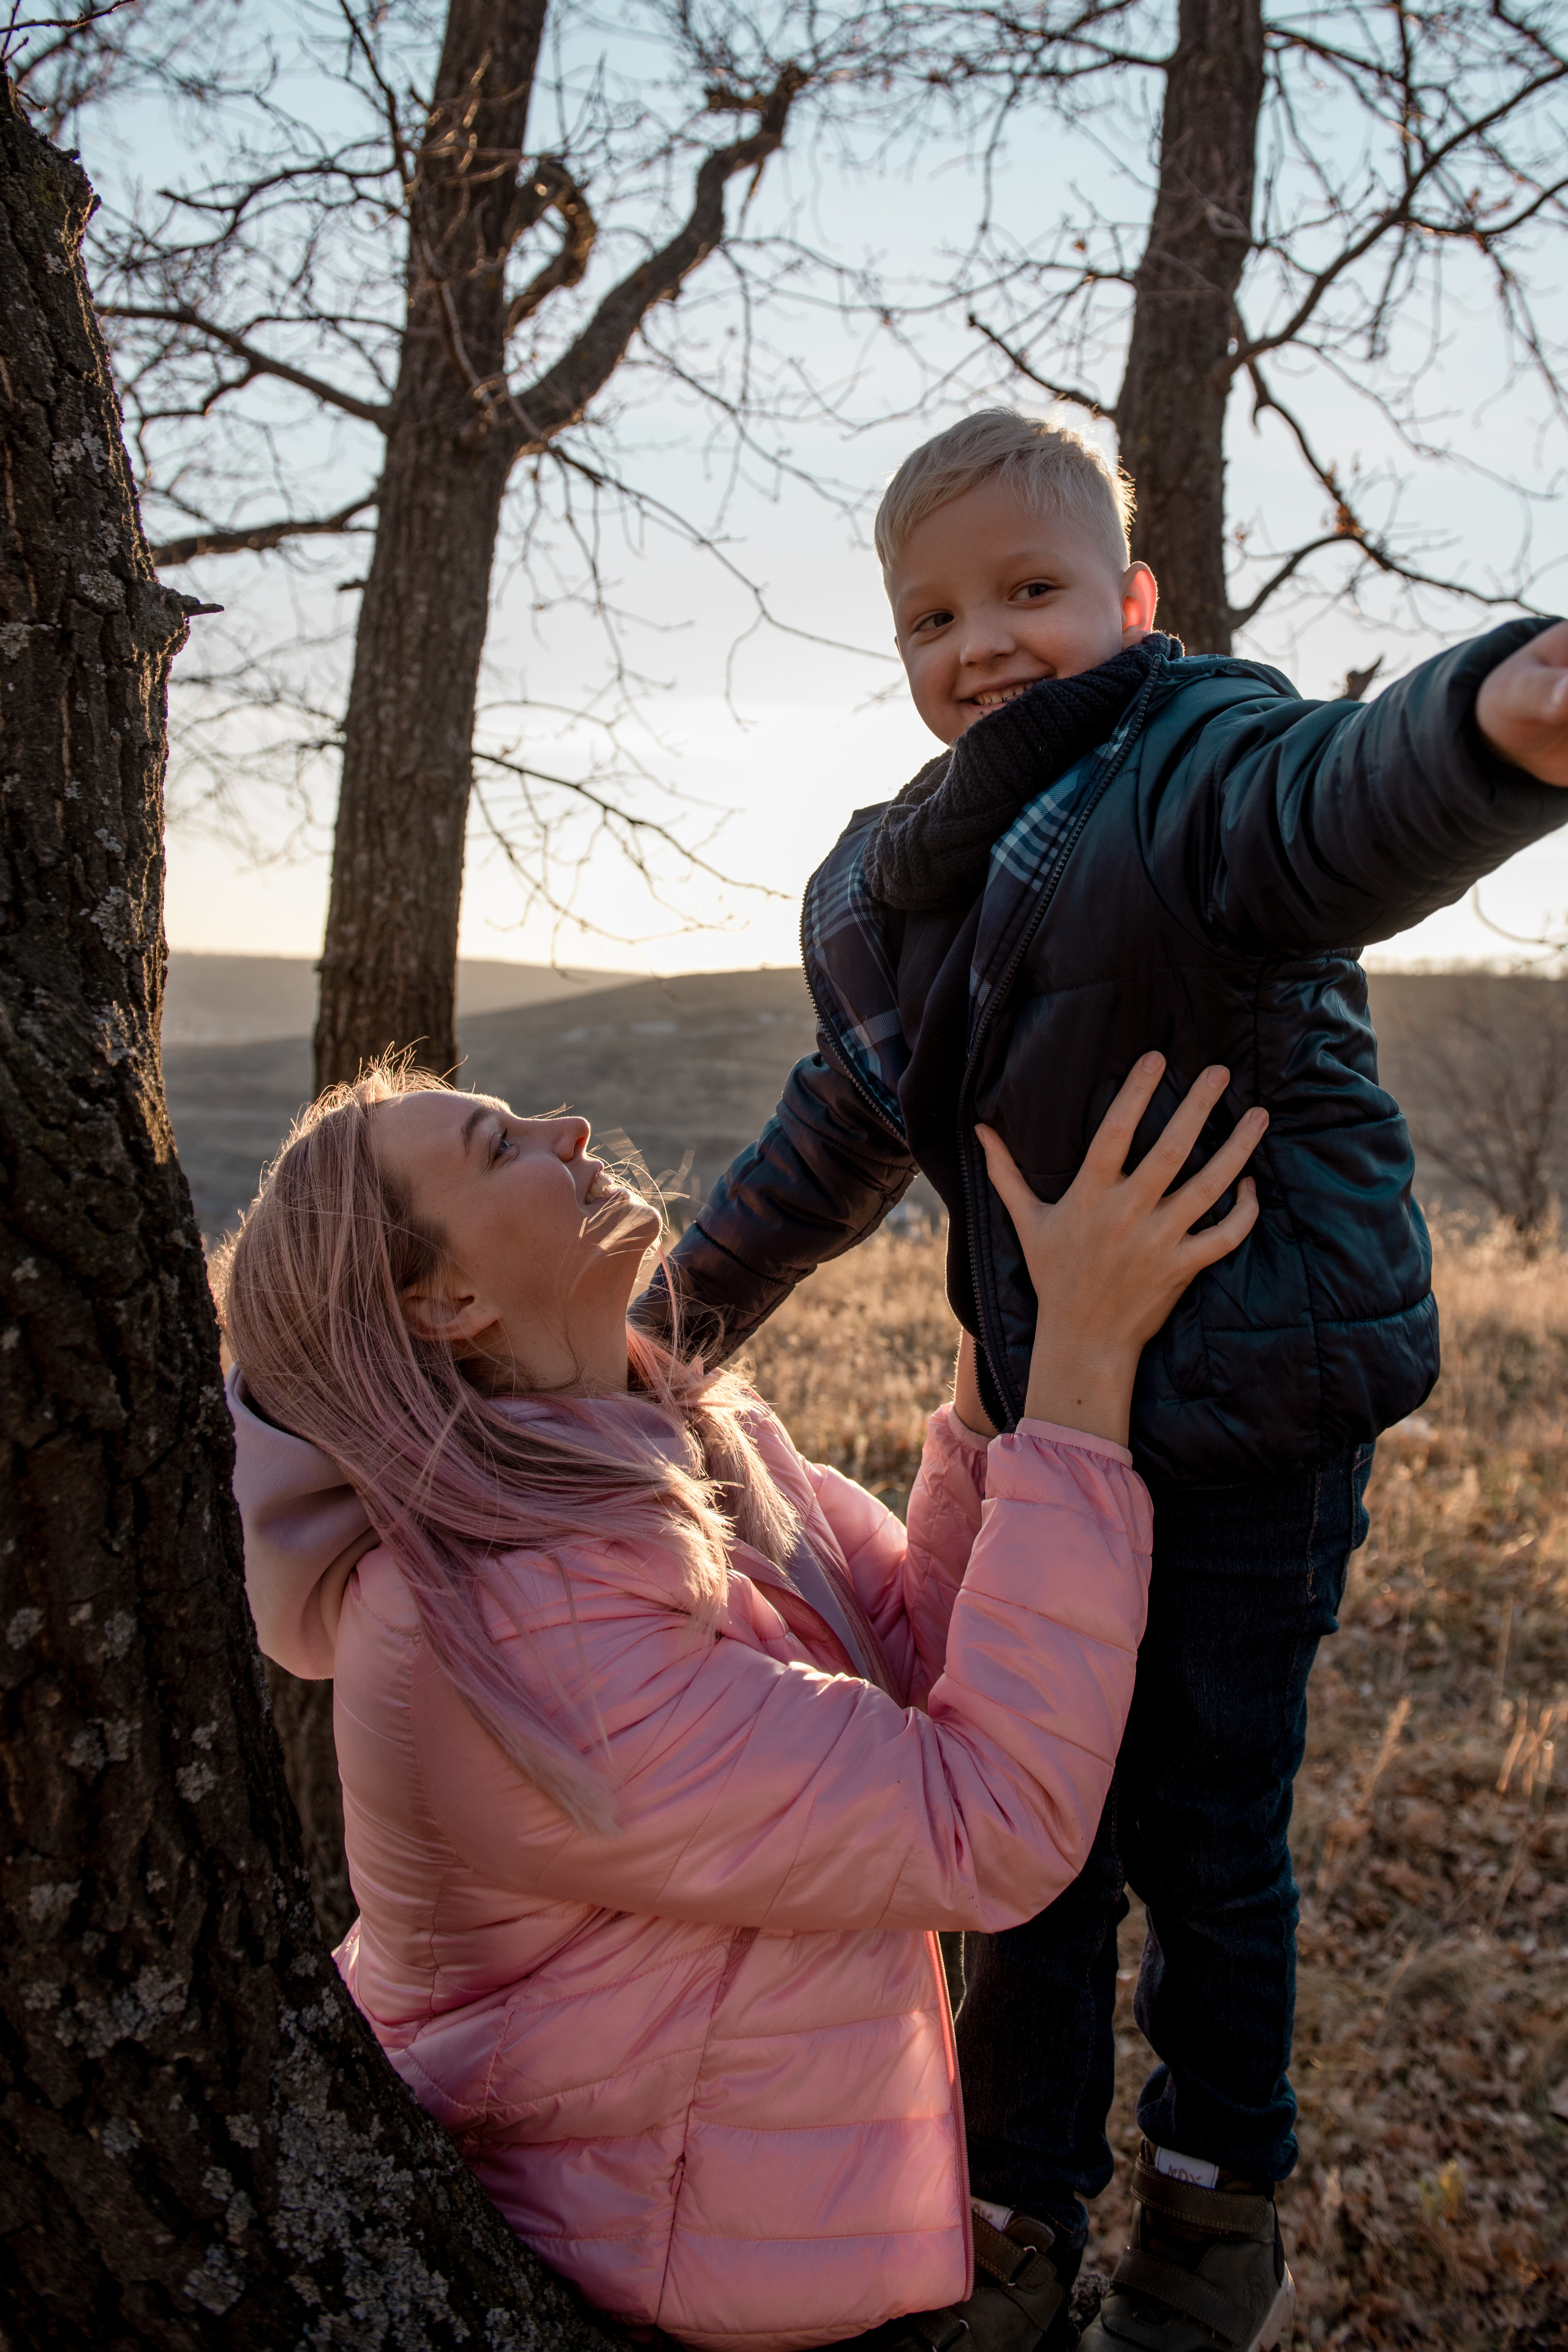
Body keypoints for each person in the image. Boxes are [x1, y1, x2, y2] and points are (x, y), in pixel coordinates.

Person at [639, 409, 1568, 2352]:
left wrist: (1494, 722)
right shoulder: (905, 886)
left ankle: (1217, 2215)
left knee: (1207, 1841)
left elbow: (1333, 798)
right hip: (1047, 1442)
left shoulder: (1190, 763)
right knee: (1030, 1848)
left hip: (1244, 1432)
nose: (981, 642)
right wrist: (661, 1335)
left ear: (1133, 602)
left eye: (1029, 591)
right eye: (934, 617)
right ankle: (1011, 2216)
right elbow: (832, 1138)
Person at [216, 1050, 1264, 2352]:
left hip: (756, 2216)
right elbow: (986, 1819)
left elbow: (919, 1664)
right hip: (670, 2268)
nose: (567, 1124)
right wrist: (1083, 1371)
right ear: (445, 1303)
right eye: (496, 1146)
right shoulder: (504, 1626)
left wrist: (1002, 1333)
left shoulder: (687, 1442)